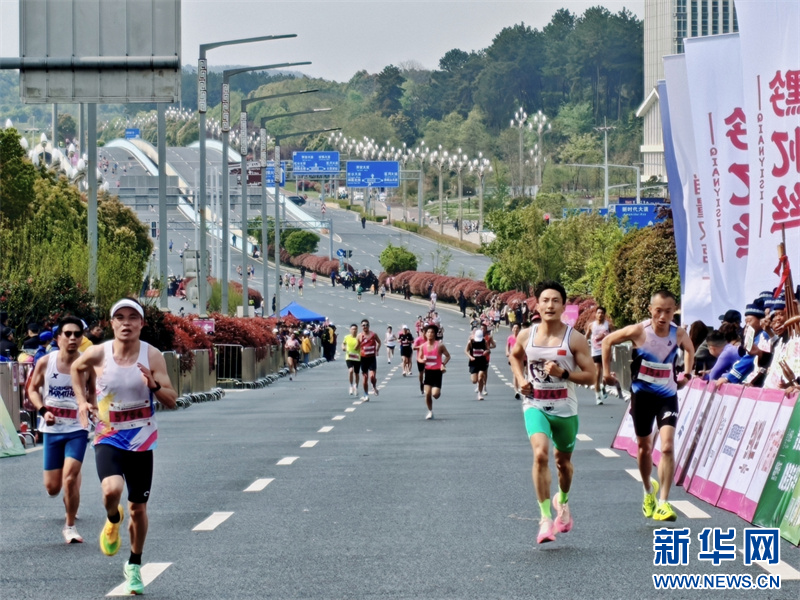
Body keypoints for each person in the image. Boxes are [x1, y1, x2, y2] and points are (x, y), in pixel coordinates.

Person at [70, 298, 178, 595]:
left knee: (138, 508)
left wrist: (153, 385)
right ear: (112, 323)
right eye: (120, 317)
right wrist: (82, 401)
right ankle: (112, 518)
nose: (126, 322)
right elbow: (76, 369)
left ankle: (134, 564)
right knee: (111, 490)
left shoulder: (152, 355)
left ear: (141, 323)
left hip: (142, 439)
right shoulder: (98, 353)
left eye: (132, 317)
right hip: (109, 435)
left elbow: (172, 399)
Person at [509, 280, 596, 545]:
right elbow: (515, 356)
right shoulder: (527, 335)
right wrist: (520, 379)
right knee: (540, 455)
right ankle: (545, 518)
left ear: (563, 306)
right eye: (545, 300)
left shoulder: (574, 338)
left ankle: (563, 501)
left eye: (555, 300)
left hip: (565, 409)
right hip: (535, 404)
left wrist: (563, 373)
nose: (550, 305)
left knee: (563, 464)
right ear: (537, 305)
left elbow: (591, 376)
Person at [601, 289, 695, 524]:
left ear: (674, 311)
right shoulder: (639, 331)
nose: (663, 316)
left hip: (667, 396)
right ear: (650, 309)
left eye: (668, 311)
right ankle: (648, 490)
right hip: (642, 396)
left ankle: (664, 502)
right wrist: (605, 373)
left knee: (667, 447)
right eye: (658, 311)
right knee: (644, 447)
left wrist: (686, 374)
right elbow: (608, 341)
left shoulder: (678, 333)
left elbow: (690, 349)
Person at [25, 316, 94, 544]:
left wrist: (93, 409)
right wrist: (43, 410)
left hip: (77, 428)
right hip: (52, 429)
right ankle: (65, 480)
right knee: (53, 487)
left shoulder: (87, 364)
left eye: (77, 334)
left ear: (82, 338)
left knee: (70, 478)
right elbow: (32, 389)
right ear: (58, 338)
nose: (73, 338)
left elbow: (94, 391)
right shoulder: (46, 362)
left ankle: (70, 526)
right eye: (68, 334)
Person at [418, 323, 451, 420]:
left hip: (437, 372)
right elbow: (419, 358)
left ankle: (438, 392)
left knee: (435, 394)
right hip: (428, 372)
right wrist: (422, 360)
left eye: (432, 332)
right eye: (428, 332)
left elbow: (448, 356)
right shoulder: (422, 346)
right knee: (427, 393)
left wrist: (443, 364)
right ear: (425, 334)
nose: (430, 334)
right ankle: (430, 411)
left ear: (435, 334)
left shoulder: (440, 346)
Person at [586, 306, 613, 405]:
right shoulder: (591, 325)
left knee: (606, 375)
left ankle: (603, 386)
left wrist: (611, 351)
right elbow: (586, 336)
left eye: (602, 313)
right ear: (596, 314)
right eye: (598, 313)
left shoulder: (608, 325)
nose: (600, 314)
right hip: (595, 351)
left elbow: (613, 338)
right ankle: (597, 396)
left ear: (604, 314)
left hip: (606, 351)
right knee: (597, 373)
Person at [358, 320, 381, 401]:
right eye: (363, 325)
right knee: (365, 378)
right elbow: (356, 347)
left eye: (366, 325)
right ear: (361, 326)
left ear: (369, 326)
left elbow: (379, 342)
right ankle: (366, 394)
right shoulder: (359, 336)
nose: (365, 326)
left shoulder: (373, 334)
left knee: (372, 377)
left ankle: (374, 386)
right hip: (363, 359)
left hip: (372, 358)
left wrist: (377, 350)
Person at [466, 328, 490, 401]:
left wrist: (486, 352)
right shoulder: (471, 342)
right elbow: (466, 350)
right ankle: (478, 385)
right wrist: (470, 357)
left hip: (482, 362)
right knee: (474, 380)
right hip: (473, 362)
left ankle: (480, 393)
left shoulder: (484, 342)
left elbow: (488, 350)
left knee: (480, 377)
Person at [342, 324, 361, 396]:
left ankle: (356, 386)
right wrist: (343, 347)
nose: (354, 330)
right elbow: (343, 344)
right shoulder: (347, 337)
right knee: (350, 370)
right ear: (350, 330)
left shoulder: (359, 337)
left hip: (357, 357)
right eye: (353, 329)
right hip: (349, 357)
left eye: (355, 329)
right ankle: (351, 385)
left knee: (356, 373)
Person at [506, 323, 522, 399]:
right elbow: (507, 346)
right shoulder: (510, 338)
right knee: (515, 374)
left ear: (519, 329)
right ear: (512, 329)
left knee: (520, 373)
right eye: (514, 328)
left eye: (517, 328)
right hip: (513, 358)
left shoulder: (521, 338)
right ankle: (516, 390)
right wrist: (507, 352)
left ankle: (520, 387)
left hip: (521, 358)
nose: (515, 329)